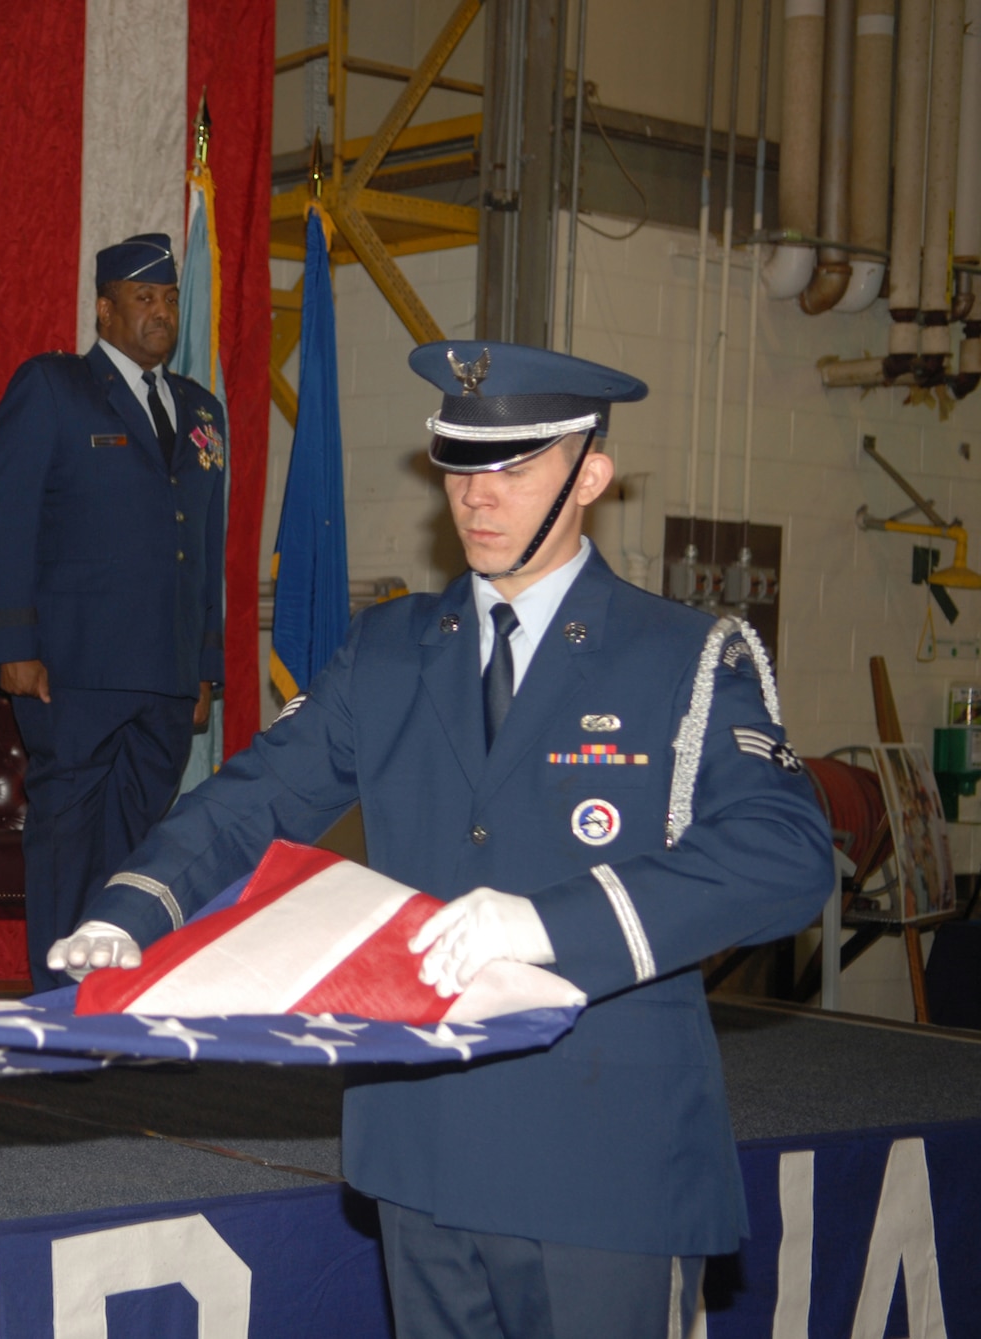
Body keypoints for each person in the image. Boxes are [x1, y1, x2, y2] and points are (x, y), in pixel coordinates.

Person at [49, 342, 834, 1338]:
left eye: (512, 467)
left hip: (600, 1159)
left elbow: (785, 851)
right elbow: (253, 797)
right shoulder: (388, 650)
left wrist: (550, 925)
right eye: (459, 466)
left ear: (589, 474)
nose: (476, 496)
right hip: (420, 1148)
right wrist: (134, 908)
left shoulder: (676, 657)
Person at [0, 232, 227, 990]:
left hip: (166, 671)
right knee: (67, 838)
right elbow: (2, 517)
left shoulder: (199, 408)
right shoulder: (53, 387)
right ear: (104, 309)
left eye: (171, 299)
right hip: (73, 670)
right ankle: (58, 1002)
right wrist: (11, 644)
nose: (160, 313)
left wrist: (205, 663)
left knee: (145, 843)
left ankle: (117, 996)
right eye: (143, 299)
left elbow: (204, 543)